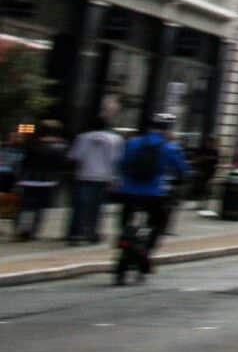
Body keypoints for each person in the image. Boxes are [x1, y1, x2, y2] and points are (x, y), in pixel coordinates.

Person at [110, 112, 188, 282]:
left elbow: (120, 163)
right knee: (159, 223)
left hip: (128, 191)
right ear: (168, 130)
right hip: (154, 193)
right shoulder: (170, 148)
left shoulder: (133, 142)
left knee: (126, 222)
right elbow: (182, 171)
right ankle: (146, 251)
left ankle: (124, 240)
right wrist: (180, 180)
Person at [67, 106, 124, 246]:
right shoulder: (116, 139)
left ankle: (75, 233)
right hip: (104, 177)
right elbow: (118, 160)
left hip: (84, 175)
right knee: (97, 207)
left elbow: (75, 157)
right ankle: (91, 232)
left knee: (80, 206)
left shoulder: (83, 138)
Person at [14, 120, 68, 241]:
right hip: (48, 180)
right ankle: (33, 230)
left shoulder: (31, 144)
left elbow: (23, 161)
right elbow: (62, 164)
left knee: (26, 206)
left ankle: (22, 229)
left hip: (28, 179)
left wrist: (18, 176)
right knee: (40, 208)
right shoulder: (61, 146)